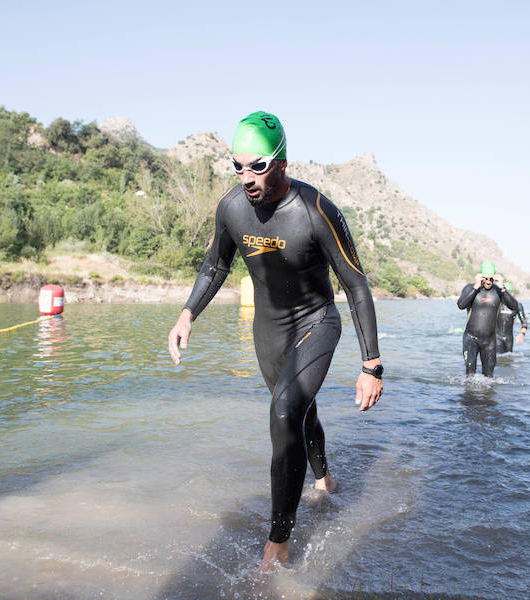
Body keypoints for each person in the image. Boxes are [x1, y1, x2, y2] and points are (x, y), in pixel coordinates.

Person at [167, 111, 384, 570]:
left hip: (316, 322)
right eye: (238, 166)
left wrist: (371, 365)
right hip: (268, 330)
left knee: (284, 411)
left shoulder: (316, 210)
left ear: (282, 163)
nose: (246, 177)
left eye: (258, 166)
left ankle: (278, 544)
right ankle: (324, 479)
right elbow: (216, 265)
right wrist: (187, 314)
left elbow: (355, 284)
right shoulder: (231, 208)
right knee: (298, 413)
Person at [456, 261, 519, 376]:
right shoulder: (470, 288)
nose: (488, 282)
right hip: (471, 338)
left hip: (489, 341)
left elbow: (515, 307)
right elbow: (461, 305)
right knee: (470, 374)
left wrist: (503, 288)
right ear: (480, 277)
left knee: (489, 377)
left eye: (491, 279)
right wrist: (475, 287)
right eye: (486, 278)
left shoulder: (498, 291)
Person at [496, 281, 528, 353]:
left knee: (508, 358)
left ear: (512, 293)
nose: (507, 295)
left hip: (509, 339)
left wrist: (522, 334)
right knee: (499, 357)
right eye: (505, 292)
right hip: (497, 337)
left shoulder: (517, 305)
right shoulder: (497, 304)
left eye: (509, 292)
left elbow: (524, 322)